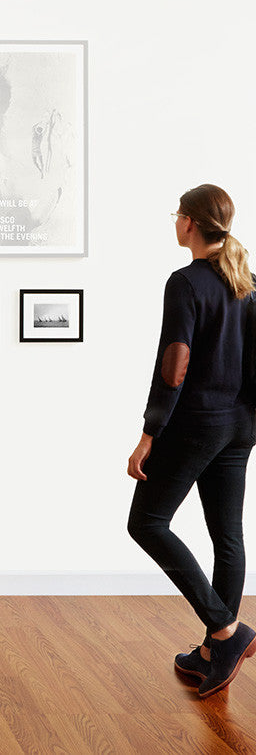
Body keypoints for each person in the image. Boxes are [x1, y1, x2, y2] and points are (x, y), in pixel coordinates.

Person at [127, 184, 256, 698]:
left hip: (198, 424)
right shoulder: (247, 280)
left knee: (146, 522)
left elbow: (174, 366)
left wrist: (149, 433)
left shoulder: (184, 282)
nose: (175, 222)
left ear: (190, 224)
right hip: (242, 425)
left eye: (178, 215)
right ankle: (212, 653)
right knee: (228, 536)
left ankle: (225, 630)